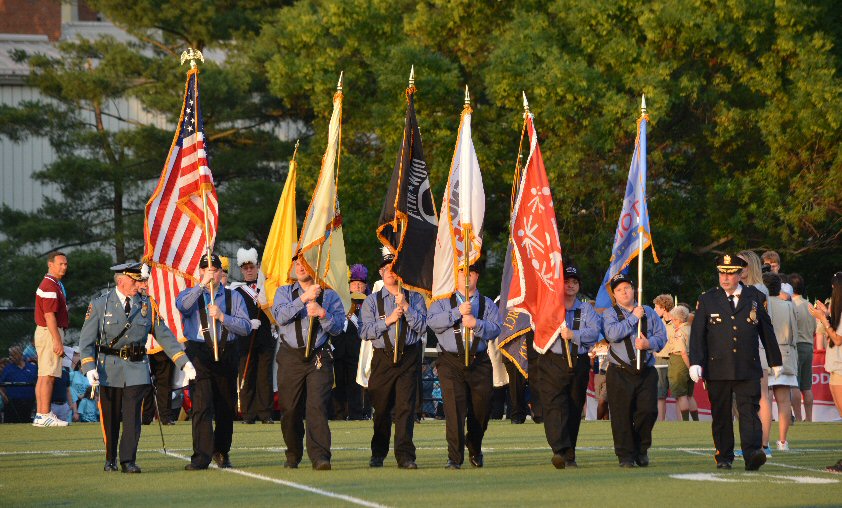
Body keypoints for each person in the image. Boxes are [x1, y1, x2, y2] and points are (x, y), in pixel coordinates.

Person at [80, 262, 196, 473]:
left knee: (133, 416)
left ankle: (128, 460)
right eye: (135, 280)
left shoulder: (147, 305)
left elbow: (165, 336)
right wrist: (88, 368)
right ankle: (110, 457)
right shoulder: (100, 305)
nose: (139, 284)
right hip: (109, 368)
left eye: (140, 280)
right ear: (121, 280)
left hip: (137, 367)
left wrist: (184, 362)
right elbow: (86, 341)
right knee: (111, 416)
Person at [689, 254, 782, 471]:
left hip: (746, 365)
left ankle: (752, 454)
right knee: (721, 413)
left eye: (730, 273)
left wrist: (774, 360)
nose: (725, 278)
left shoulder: (755, 296)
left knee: (749, 412)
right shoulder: (708, 299)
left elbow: (766, 330)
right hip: (717, 366)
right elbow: (698, 334)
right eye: (722, 273)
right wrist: (696, 361)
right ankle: (724, 456)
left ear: (741, 274)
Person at [272, 251, 345, 470]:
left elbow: (339, 328)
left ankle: (320, 456)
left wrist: (323, 314)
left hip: (318, 357)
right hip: (290, 356)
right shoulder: (284, 292)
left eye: (304, 262)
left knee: (317, 407)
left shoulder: (330, 296)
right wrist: (304, 298)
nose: (300, 266)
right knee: (290, 409)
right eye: (296, 262)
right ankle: (293, 453)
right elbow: (281, 316)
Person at [176, 254, 250, 471]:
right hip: (199, 353)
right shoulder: (191, 294)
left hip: (227, 352)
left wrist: (223, 318)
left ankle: (221, 450)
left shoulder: (233, 297)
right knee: (201, 406)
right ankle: (201, 456)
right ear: (200, 272)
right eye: (206, 269)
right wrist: (201, 285)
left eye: (215, 270)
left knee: (226, 407)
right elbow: (183, 306)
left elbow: (245, 327)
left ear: (221, 273)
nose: (212, 273)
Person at [427, 260, 501, 469]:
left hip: (479, 361)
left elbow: (496, 328)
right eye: (462, 272)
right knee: (454, 410)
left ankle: (474, 445)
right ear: (455, 275)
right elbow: (432, 322)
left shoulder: (487, 303)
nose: (466, 276)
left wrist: (477, 324)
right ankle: (454, 457)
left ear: (477, 276)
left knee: (482, 409)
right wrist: (457, 312)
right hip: (451, 362)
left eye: (471, 272)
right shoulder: (442, 301)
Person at [359, 250, 427, 469]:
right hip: (383, 358)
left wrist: (406, 308)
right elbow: (365, 331)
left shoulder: (415, 297)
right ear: (381, 272)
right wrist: (388, 321)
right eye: (386, 268)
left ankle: (405, 455)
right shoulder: (372, 301)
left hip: (408, 356)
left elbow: (423, 327)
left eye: (394, 267)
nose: (391, 272)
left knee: (405, 408)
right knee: (381, 408)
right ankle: (378, 452)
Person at [535, 266, 601, 468]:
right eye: (566, 281)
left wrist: (575, 335)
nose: (570, 285)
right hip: (553, 360)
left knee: (574, 407)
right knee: (554, 405)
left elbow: (595, 332)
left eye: (574, 282)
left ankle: (569, 453)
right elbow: (538, 328)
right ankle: (560, 449)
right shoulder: (550, 307)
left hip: (578, 362)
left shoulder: (586, 309)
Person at [602, 273, 667, 468]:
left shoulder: (648, 311)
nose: (624, 292)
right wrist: (632, 318)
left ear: (633, 289)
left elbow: (661, 337)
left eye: (627, 288)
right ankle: (625, 455)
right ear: (614, 294)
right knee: (621, 415)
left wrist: (649, 343)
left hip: (645, 370)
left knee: (648, 411)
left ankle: (641, 448)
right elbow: (612, 335)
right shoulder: (610, 313)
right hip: (620, 371)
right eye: (619, 290)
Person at [232, 247, 275, 425]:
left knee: (265, 377)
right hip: (245, 339)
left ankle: (265, 413)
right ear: (242, 270)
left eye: (252, 267)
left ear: (258, 267)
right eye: (245, 268)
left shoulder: (266, 287)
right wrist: (248, 323)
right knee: (246, 374)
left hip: (265, 336)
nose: (249, 270)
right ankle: (248, 414)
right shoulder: (236, 290)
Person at [738, 250, 774, 457]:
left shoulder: (757, 289)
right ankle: (754, 442)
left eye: (741, 265)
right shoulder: (748, 288)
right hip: (746, 347)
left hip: (756, 346)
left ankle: (764, 443)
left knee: (761, 396)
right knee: (748, 397)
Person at [32, 251, 69, 427]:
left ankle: (40, 414)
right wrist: (57, 340)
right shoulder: (50, 285)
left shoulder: (53, 284)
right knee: (48, 375)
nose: (64, 267)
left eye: (65, 264)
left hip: (46, 332)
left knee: (43, 375)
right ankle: (45, 413)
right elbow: (49, 315)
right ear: (50, 264)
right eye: (60, 264)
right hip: (49, 332)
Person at [762, 272, 797, 451]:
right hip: (785, 353)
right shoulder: (788, 306)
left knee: (765, 400)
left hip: (765, 354)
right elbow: (794, 334)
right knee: (784, 400)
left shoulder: (763, 305)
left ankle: (764, 443)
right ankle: (783, 442)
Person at [331, 264, 368, 420]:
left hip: (356, 348)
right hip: (338, 347)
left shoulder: (368, 302)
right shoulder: (340, 301)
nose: (357, 285)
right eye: (354, 283)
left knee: (355, 383)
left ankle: (356, 413)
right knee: (338, 382)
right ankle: (338, 413)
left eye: (361, 283)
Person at [809, 272, 842, 418]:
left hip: (840, 366)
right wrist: (826, 316)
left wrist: (823, 317)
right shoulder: (837, 311)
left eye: (834, 288)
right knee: (839, 409)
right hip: (835, 365)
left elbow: (838, 339)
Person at [789, 273, 816, 422]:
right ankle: (809, 418)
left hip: (797, 346)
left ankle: (798, 418)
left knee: (795, 384)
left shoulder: (792, 305)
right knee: (807, 386)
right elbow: (814, 329)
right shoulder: (809, 305)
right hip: (809, 346)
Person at [662, 305, 695, 420]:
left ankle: (685, 421)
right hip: (691, 360)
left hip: (680, 362)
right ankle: (696, 421)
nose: (672, 321)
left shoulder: (679, 332)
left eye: (673, 319)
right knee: (690, 395)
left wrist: (688, 367)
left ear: (678, 319)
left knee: (682, 395)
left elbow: (682, 352)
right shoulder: (691, 329)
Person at [0, 345, 38, 423]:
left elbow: (38, 384)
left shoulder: (32, 368)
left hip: (29, 403)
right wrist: (3, 395)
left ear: (20, 354)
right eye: (10, 355)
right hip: (12, 404)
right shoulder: (7, 369)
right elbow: (1, 385)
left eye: (13, 354)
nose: (10, 357)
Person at [652, 294, 674, 421]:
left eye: (656, 307)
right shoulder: (657, 323)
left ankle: (683, 423)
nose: (655, 310)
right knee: (660, 394)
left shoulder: (677, 321)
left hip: (674, 359)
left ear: (663, 307)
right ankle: (661, 422)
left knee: (679, 394)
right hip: (659, 360)